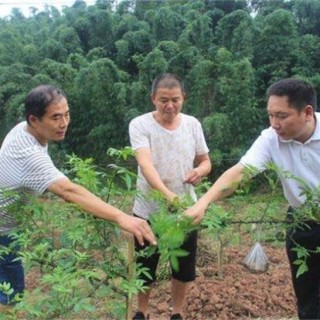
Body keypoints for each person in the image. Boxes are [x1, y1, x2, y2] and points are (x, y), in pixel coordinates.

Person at [0, 84, 156, 311]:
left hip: (8, 226)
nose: (64, 123)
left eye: (66, 114)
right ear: (34, 120)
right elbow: (68, 191)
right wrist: (122, 217)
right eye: (55, 117)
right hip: (3, 231)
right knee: (10, 296)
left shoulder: (21, 130)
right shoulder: (30, 156)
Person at [186, 78, 320, 319]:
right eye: (270, 115)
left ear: (307, 112)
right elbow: (240, 172)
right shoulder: (271, 139)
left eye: (281, 115)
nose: (274, 123)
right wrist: (203, 202)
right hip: (302, 223)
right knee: (308, 297)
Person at [129, 73, 211, 320]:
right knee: (146, 266)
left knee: (183, 268)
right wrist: (169, 196)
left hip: (186, 209)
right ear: (153, 98)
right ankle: (142, 312)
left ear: (183, 98)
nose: (170, 106)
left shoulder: (193, 124)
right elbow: (146, 165)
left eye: (175, 99)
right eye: (163, 100)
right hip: (148, 210)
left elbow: (206, 161)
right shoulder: (140, 125)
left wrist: (199, 171)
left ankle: (177, 313)